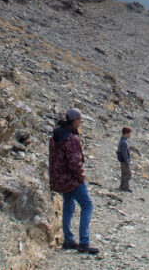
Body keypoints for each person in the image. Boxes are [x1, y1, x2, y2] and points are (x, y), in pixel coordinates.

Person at [48, 108, 99, 254]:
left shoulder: (55, 136)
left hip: (59, 179)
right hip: (72, 179)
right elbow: (74, 161)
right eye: (80, 120)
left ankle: (69, 240)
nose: (81, 122)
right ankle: (84, 242)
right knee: (87, 205)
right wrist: (81, 177)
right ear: (75, 120)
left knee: (68, 206)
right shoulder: (71, 137)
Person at [116, 127, 132, 192]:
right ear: (126, 133)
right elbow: (124, 153)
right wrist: (127, 161)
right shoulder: (124, 142)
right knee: (127, 174)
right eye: (129, 133)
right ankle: (125, 187)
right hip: (124, 160)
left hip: (122, 160)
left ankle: (122, 186)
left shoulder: (122, 140)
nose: (130, 135)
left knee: (123, 173)